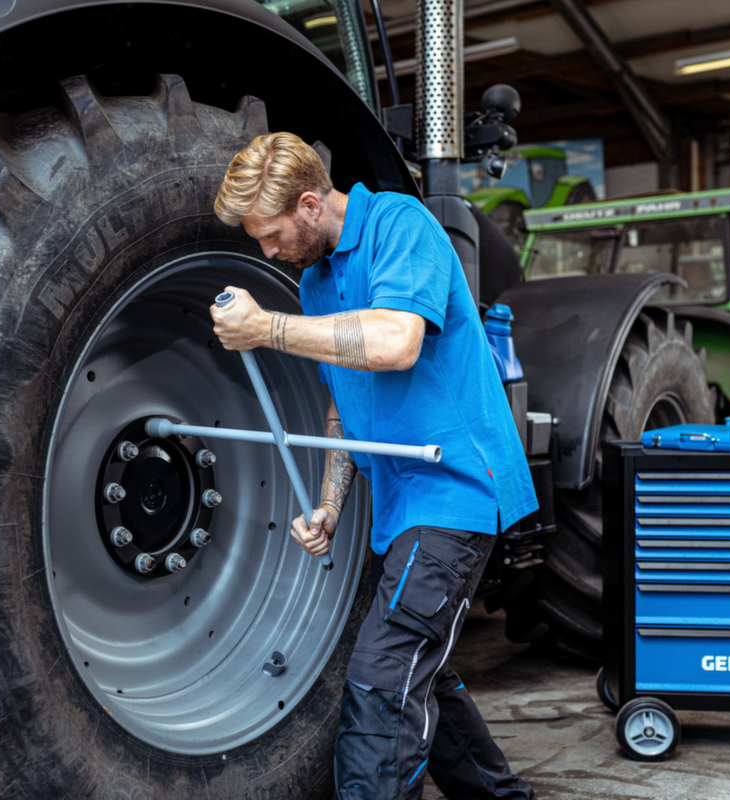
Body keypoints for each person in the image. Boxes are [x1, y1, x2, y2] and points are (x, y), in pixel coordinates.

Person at [211, 132, 538, 800]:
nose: (266, 252)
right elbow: (342, 404)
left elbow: (394, 343)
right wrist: (330, 504)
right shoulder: (315, 281)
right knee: (426, 673)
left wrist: (264, 329)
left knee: (382, 679)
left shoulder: (399, 224)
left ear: (309, 204)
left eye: (271, 235)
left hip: (455, 491)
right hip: (398, 504)